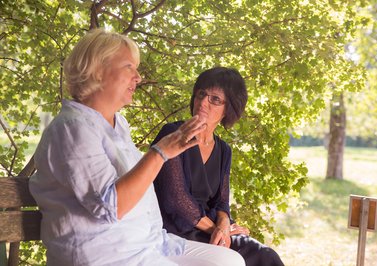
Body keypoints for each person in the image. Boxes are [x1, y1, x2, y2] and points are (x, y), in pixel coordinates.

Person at [29, 29, 246, 266]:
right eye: (129, 67)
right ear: (98, 70)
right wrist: (161, 152)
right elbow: (111, 207)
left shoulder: (117, 124)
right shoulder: (72, 129)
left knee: (230, 261)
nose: (138, 77)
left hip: (149, 244)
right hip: (109, 254)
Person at [152, 67, 285, 266]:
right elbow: (175, 201)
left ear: (227, 109)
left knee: (266, 256)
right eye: (201, 94)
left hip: (211, 229)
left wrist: (224, 225)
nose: (204, 102)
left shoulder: (224, 150)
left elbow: (222, 203)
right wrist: (219, 229)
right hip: (176, 230)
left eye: (215, 99)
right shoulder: (172, 134)